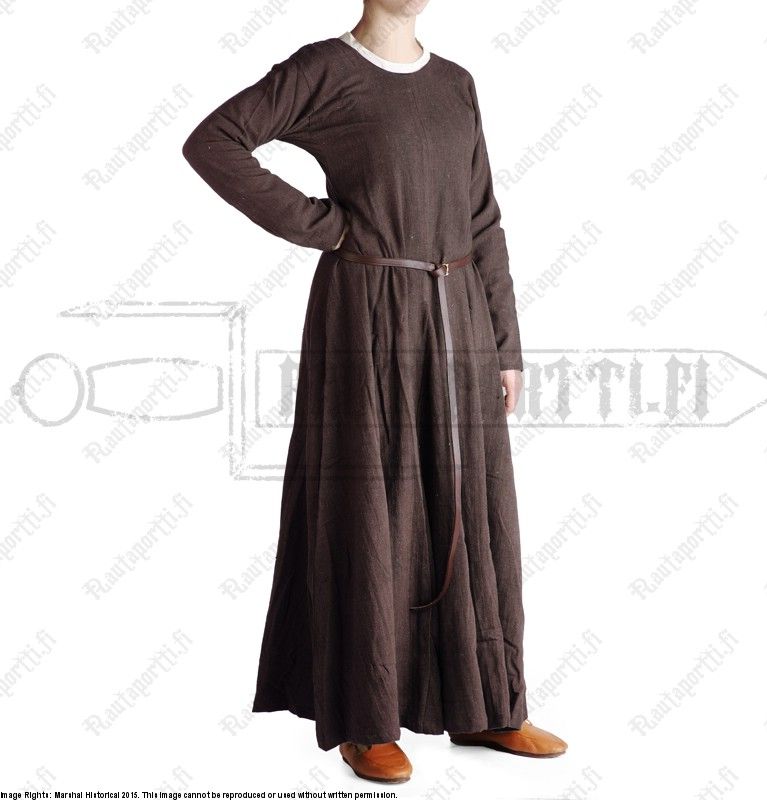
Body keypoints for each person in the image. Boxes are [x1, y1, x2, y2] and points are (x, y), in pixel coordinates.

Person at [181, 0, 567, 784]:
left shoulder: (455, 83)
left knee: (474, 502)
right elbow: (214, 142)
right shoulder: (323, 70)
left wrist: (505, 343)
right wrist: (327, 227)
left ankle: (486, 704)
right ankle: (367, 716)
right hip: (367, 309)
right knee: (371, 503)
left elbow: (483, 220)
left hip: (460, 315)